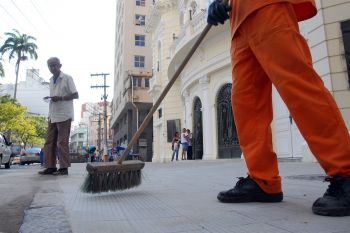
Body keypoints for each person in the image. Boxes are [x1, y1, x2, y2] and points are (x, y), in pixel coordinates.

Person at [207, 0, 350, 216]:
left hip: (266, 6)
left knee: (298, 87)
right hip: (238, 19)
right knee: (246, 103)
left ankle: (345, 171)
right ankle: (262, 179)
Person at [39, 57, 78, 176]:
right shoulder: (51, 80)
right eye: (49, 66)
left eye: (54, 65)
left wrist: (60, 98)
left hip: (64, 114)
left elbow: (76, 95)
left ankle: (63, 168)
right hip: (53, 114)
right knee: (49, 142)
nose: (52, 68)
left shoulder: (67, 78)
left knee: (62, 142)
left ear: (60, 65)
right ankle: (50, 166)